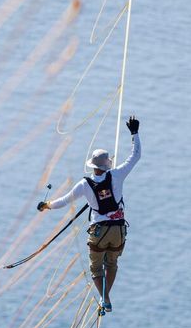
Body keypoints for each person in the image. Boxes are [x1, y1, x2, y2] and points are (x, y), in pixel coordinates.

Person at [38, 116, 141, 314]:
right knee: (112, 263)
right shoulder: (117, 174)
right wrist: (134, 133)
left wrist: (46, 205)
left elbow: (64, 201)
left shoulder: (85, 185)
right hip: (118, 229)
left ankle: (104, 298)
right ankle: (106, 297)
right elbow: (135, 156)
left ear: (92, 166)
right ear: (107, 165)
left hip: (99, 231)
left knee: (96, 268)